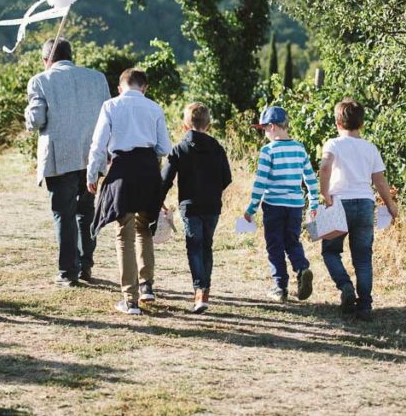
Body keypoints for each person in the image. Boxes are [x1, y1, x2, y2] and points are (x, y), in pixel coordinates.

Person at [25, 38, 110, 286]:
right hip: (92, 155)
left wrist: (28, 113)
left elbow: (37, 121)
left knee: (63, 214)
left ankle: (67, 272)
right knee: (86, 211)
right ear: (71, 55)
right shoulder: (97, 78)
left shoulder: (40, 80)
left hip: (59, 157)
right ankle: (85, 265)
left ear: (46, 60)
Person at [88, 68, 172, 315]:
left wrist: (92, 174)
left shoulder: (110, 106)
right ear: (144, 88)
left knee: (123, 232)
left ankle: (130, 299)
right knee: (144, 228)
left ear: (120, 87)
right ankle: (147, 286)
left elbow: (98, 144)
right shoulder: (154, 108)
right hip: (148, 169)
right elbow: (164, 147)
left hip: (122, 169)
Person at [319, 97, 399, 322]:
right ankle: (365, 305)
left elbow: (325, 167)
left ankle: (345, 286)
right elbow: (380, 182)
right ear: (361, 124)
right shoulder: (370, 148)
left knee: (331, 251)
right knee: (363, 257)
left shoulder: (333, 144)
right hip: (365, 204)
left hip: (339, 204)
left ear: (338, 123)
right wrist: (391, 206)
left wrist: (325, 194)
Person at [161, 102, 232, 313]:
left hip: (190, 206)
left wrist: (158, 199)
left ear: (185, 125)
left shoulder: (179, 149)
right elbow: (226, 178)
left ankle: (199, 291)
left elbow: (166, 179)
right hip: (212, 206)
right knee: (207, 246)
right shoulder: (217, 148)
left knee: (194, 246)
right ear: (208, 125)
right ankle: (205, 290)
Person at [244, 105, 320, 303]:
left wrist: (251, 208)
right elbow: (310, 179)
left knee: (275, 245)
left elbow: (260, 183)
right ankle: (302, 268)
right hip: (295, 206)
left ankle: (280, 287)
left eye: (264, 129)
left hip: (273, 206)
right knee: (292, 241)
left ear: (273, 126)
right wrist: (313, 203)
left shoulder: (268, 151)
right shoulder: (299, 148)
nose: (264, 134)